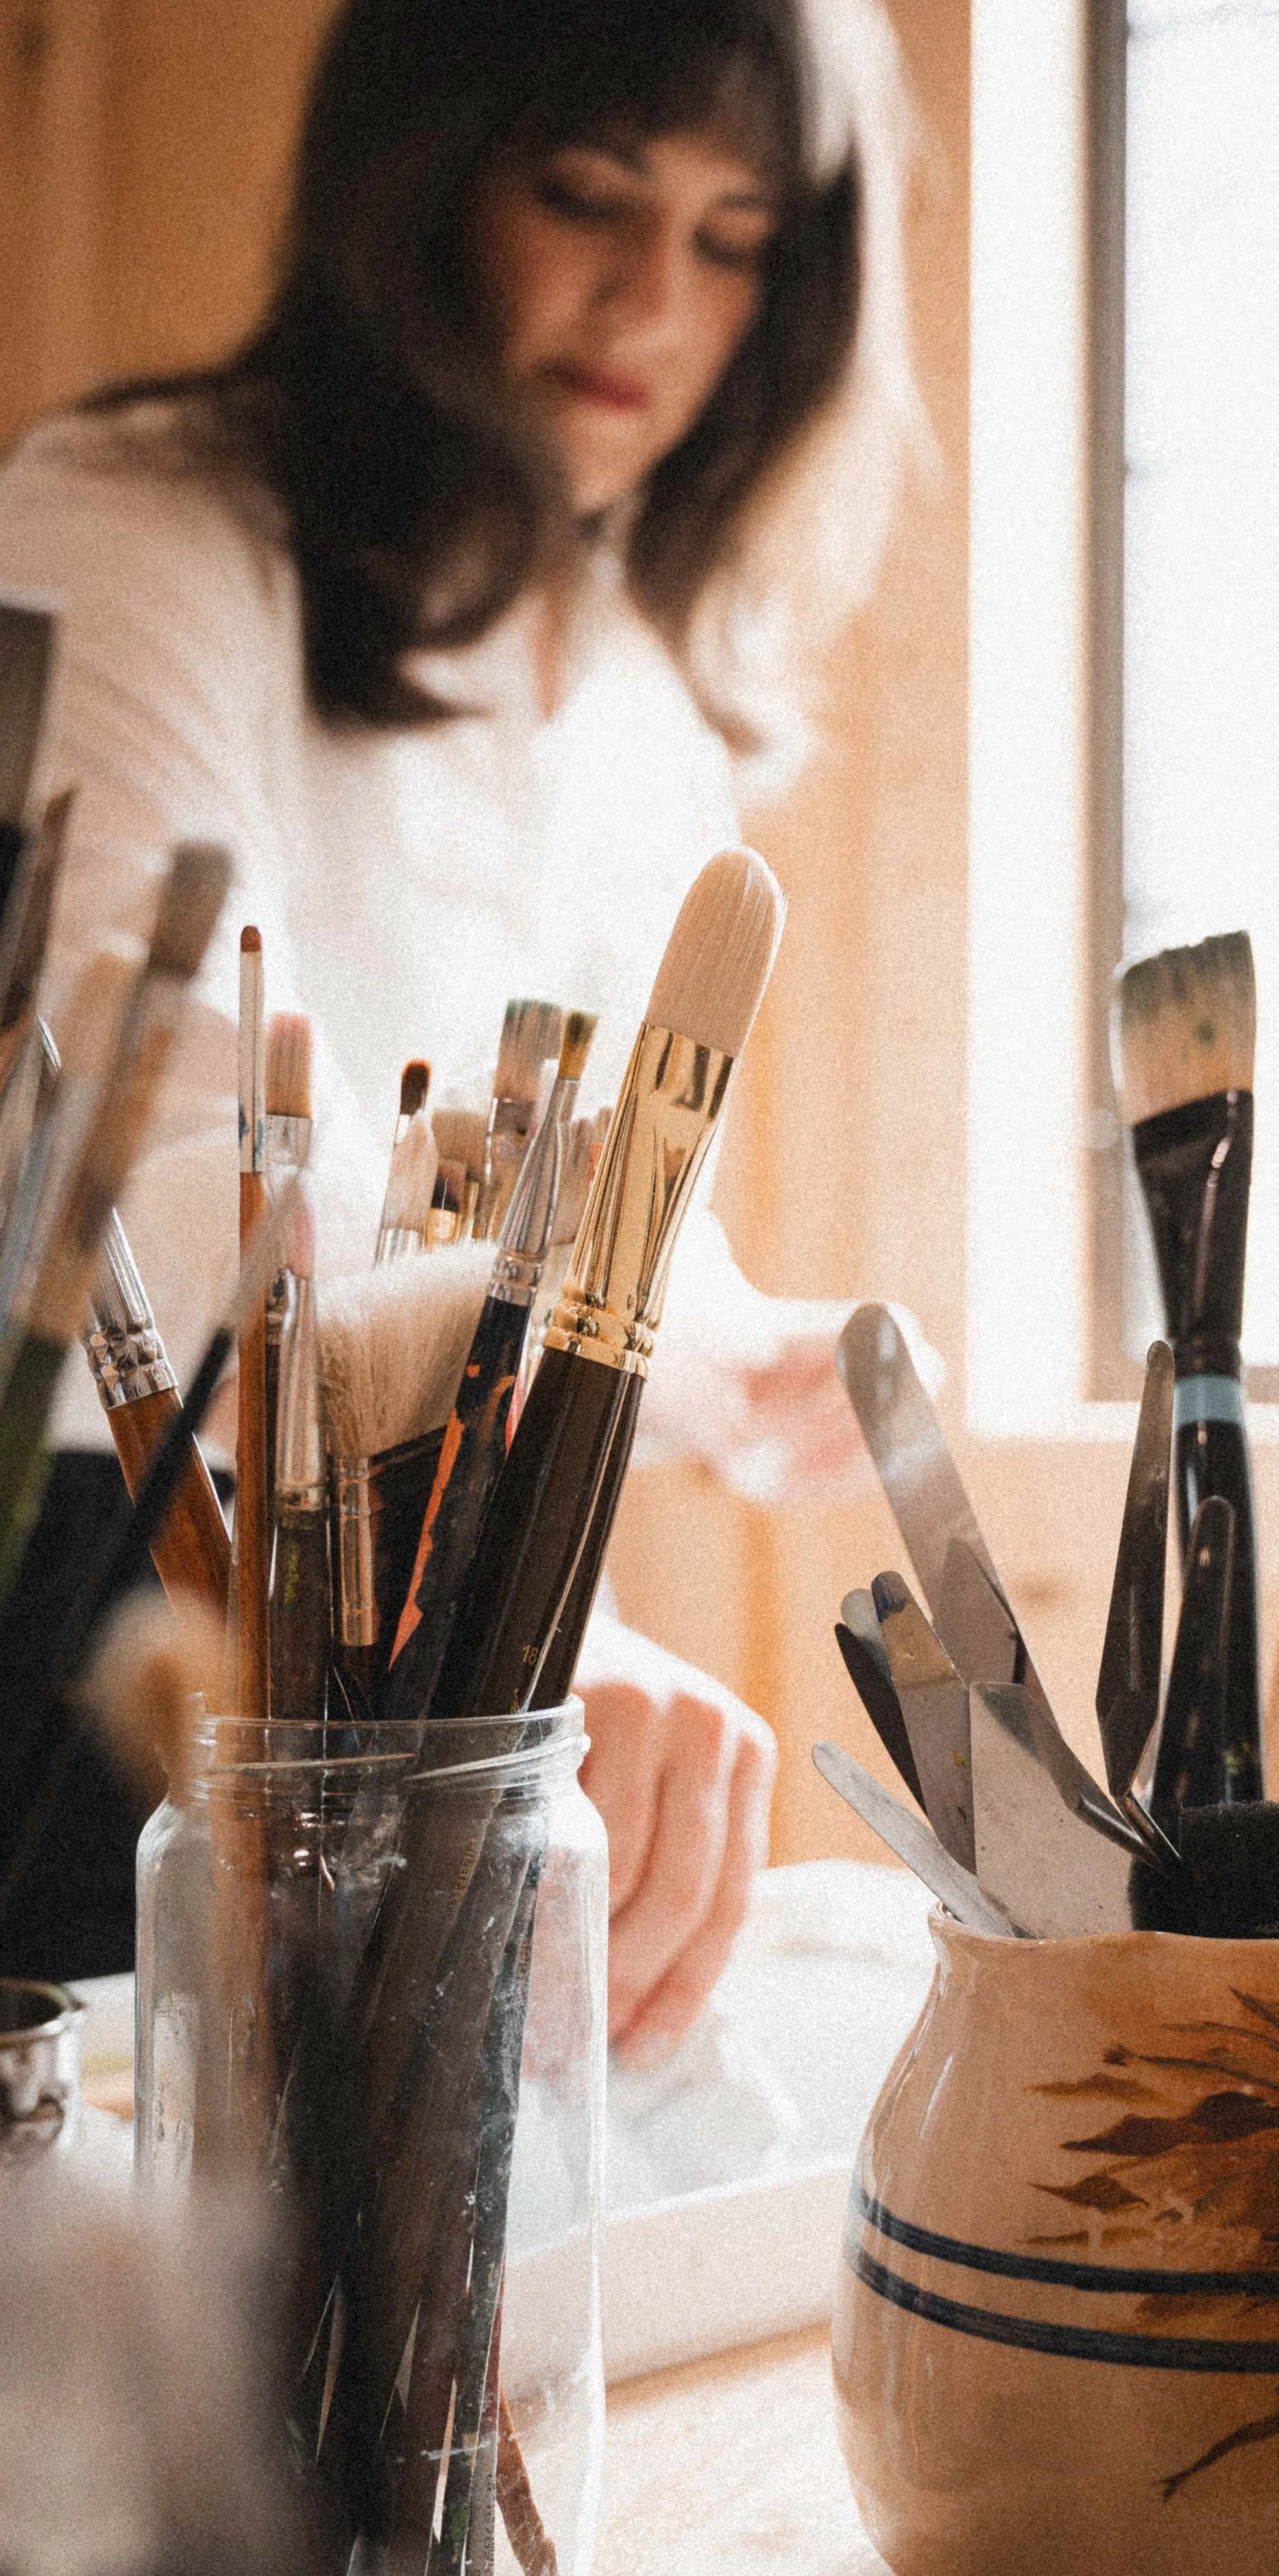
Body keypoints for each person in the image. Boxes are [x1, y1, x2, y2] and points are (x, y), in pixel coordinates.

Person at [0, 0, 923, 2059]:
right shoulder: (134, 527)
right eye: (583, 195)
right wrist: (501, 1641)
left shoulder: (632, 697)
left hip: (395, 1595)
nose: (649, 304)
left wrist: (738, 1355)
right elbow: (164, 1168)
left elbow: (552, 1226)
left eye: (733, 235)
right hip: (84, 1605)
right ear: (413, 189)